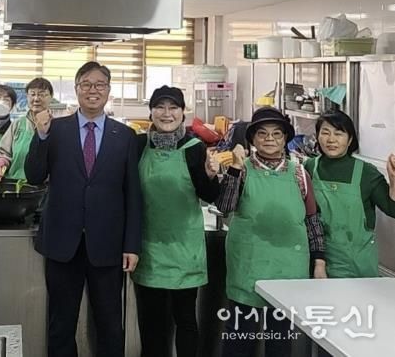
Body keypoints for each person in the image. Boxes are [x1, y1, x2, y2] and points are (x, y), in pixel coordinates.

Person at [25, 61, 141, 357]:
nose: (93, 90)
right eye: (86, 84)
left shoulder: (125, 136)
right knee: (61, 324)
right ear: (76, 89)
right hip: (63, 243)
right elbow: (34, 175)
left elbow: (132, 194)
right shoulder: (55, 129)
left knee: (110, 324)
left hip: (108, 245)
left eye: (100, 84)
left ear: (108, 90)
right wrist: (40, 136)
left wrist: (131, 244)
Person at [216, 107, 326, 357]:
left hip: (288, 270)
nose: (269, 139)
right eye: (262, 133)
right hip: (248, 268)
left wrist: (319, 262)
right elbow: (224, 207)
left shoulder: (299, 173)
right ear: (252, 139)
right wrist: (234, 168)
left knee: (280, 342)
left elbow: (313, 219)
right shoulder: (242, 169)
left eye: (277, 133)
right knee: (239, 339)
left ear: (285, 138)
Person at [132, 86, 220, 357]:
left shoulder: (195, 149)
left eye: (173, 108)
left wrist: (211, 176)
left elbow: (209, 196)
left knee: (185, 320)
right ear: (151, 112)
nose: (166, 113)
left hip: (185, 249)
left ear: (183, 113)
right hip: (148, 249)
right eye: (160, 107)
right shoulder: (138, 145)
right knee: (151, 324)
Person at [306, 110, 395, 278]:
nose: (331, 140)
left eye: (339, 133)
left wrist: (394, 182)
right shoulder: (308, 168)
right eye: (325, 133)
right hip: (318, 263)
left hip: (357, 266)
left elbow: (392, 210)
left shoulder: (367, 173)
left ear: (350, 139)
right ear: (317, 136)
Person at [0, 77, 53, 180]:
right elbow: (4, 153)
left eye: (41, 94)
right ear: (27, 97)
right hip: (15, 184)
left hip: (46, 186)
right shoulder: (18, 124)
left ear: (51, 97)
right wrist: (2, 162)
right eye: (32, 94)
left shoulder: (57, 126)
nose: (36, 99)